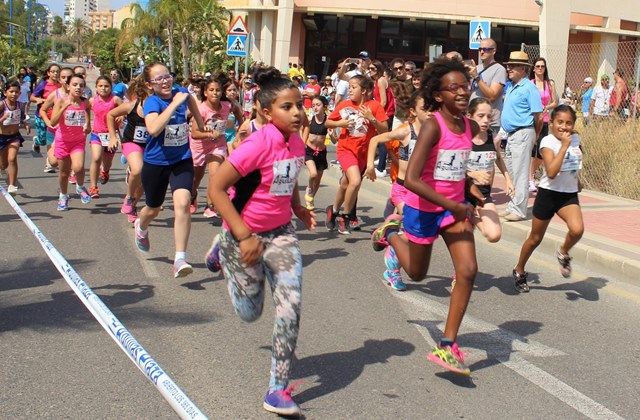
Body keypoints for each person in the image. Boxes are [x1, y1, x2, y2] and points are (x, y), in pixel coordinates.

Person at [207, 66, 315, 417]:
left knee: (290, 305)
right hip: (244, 235)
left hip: (282, 234)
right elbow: (216, 189)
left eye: (299, 105)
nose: (297, 112)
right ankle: (221, 250)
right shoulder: (257, 143)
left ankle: (277, 389)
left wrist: (297, 205)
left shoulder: (296, 140)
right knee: (250, 313)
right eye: (288, 107)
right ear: (267, 113)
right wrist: (240, 236)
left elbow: (290, 174)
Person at [370, 58, 480, 375]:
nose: (462, 92)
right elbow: (414, 178)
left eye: (465, 85)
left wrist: (469, 189)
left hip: (453, 209)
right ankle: (390, 232)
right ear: (438, 94)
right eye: (453, 88)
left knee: (469, 270)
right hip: (423, 208)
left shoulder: (468, 126)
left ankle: (447, 346)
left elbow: (453, 170)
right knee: (417, 273)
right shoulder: (433, 125)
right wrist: (452, 201)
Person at [133, 63, 208, 278]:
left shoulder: (181, 93)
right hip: (156, 163)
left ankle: (180, 258)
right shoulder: (152, 102)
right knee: (153, 208)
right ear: (150, 84)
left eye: (167, 76)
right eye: (159, 79)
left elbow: (192, 101)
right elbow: (154, 129)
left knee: (183, 203)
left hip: (181, 160)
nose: (165, 81)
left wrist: (201, 125)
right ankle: (142, 225)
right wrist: (174, 105)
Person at [365, 89, 431, 291]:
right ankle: (392, 268)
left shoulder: (435, 133)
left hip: (422, 191)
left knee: (415, 235)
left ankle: (389, 233)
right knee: (412, 231)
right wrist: (370, 165)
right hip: (402, 189)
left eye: (433, 109)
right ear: (413, 111)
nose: (430, 112)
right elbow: (375, 140)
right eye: (425, 109)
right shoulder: (405, 131)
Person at [512, 105, 584, 292]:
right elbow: (551, 172)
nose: (564, 127)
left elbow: (574, 162)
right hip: (548, 194)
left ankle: (563, 252)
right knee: (535, 238)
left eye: (569, 123)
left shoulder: (576, 139)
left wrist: (577, 182)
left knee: (577, 230)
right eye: (560, 122)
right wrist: (564, 147)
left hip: (568, 195)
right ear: (551, 123)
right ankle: (519, 269)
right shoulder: (548, 142)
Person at [325, 75, 388, 234]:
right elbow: (328, 122)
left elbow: (385, 131)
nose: (350, 90)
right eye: (350, 87)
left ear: (364, 91)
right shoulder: (345, 105)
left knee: (346, 184)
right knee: (355, 181)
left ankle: (332, 210)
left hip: (364, 153)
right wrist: (341, 123)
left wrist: (372, 118)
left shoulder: (374, 106)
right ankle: (345, 217)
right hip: (346, 149)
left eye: (354, 87)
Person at [190, 74, 243, 217]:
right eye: (211, 90)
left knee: (215, 174)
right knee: (197, 177)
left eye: (218, 90)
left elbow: (238, 112)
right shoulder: (201, 109)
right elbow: (194, 133)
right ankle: (193, 194)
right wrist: (208, 134)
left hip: (217, 145)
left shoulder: (227, 105)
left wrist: (241, 127)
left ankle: (210, 205)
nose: (215, 93)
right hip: (199, 146)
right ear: (205, 92)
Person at [500, 51, 543, 222]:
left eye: (512, 66)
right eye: (508, 65)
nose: (508, 68)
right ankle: (514, 204)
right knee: (513, 170)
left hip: (523, 132)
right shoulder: (511, 86)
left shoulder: (529, 88)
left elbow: (538, 115)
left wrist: (535, 135)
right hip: (511, 134)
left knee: (520, 171)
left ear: (523, 68)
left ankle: (519, 209)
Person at [465, 97, 514, 243]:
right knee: (465, 243)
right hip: (463, 195)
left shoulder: (491, 137)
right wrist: (472, 174)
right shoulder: (463, 138)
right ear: (470, 116)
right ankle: (469, 215)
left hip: (484, 194)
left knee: (494, 235)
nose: (486, 120)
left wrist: (508, 179)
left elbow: (498, 158)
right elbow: (450, 168)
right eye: (481, 116)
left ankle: (472, 217)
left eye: (489, 116)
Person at [107, 75, 150, 223]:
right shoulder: (131, 105)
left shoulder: (159, 108)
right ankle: (129, 197)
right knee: (138, 169)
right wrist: (113, 137)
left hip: (150, 146)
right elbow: (111, 114)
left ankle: (133, 206)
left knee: (145, 181)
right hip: (132, 142)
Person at [49, 72, 93, 211]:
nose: (78, 87)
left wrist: (88, 125)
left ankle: (80, 187)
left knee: (79, 167)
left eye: (81, 85)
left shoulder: (85, 102)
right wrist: (64, 107)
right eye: (74, 85)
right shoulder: (61, 101)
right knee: (64, 172)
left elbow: (87, 112)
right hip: (62, 141)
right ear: (68, 86)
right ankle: (63, 195)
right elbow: (53, 121)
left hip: (78, 141)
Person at [88, 76, 123, 198]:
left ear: (111, 87)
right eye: (101, 86)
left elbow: (125, 110)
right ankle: (93, 187)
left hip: (111, 135)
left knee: (107, 161)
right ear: (96, 87)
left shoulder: (116, 100)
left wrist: (122, 116)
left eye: (106, 86)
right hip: (97, 133)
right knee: (96, 158)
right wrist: (88, 124)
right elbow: (86, 110)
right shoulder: (92, 100)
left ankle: (105, 171)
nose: (103, 88)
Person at [529, 57, 558, 193]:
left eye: (542, 66)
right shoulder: (530, 83)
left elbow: (555, 102)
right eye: (538, 66)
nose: (540, 69)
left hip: (545, 120)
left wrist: (546, 107)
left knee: (540, 152)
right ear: (533, 68)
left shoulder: (549, 84)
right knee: (531, 150)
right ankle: (530, 179)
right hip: (531, 120)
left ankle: (531, 175)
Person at [469, 38, 508, 136]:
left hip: (489, 123)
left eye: (485, 49)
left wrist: (477, 77)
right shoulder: (476, 68)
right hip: (473, 120)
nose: (482, 52)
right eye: (480, 49)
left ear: (493, 51)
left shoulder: (499, 70)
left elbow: (492, 96)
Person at [303, 95, 336, 209]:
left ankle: (311, 199)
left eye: (318, 105)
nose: (315, 108)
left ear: (324, 107)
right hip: (309, 151)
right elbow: (304, 134)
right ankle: (308, 189)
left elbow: (334, 140)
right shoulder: (309, 119)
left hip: (321, 152)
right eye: (313, 105)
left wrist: (332, 135)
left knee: (317, 181)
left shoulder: (328, 121)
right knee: (313, 174)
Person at [0, 81, 31, 195]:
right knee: (3, 164)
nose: (14, 94)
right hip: (2, 137)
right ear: (5, 92)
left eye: (16, 92)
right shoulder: (2, 105)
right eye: (11, 91)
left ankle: (12, 185)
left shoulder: (19, 105)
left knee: (12, 159)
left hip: (14, 136)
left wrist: (25, 124)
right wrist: (3, 118)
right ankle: (2, 169)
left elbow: (19, 117)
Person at [370, 59, 396, 178]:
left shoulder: (381, 81)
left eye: (372, 69)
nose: (370, 71)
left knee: (383, 140)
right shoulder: (376, 81)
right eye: (369, 69)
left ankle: (381, 168)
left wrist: (376, 113)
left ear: (378, 70)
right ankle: (379, 162)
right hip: (382, 113)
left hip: (385, 113)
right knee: (379, 139)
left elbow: (384, 100)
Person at [30, 64, 61, 162]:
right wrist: (38, 100)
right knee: (43, 140)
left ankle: (50, 161)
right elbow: (32, 97)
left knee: (53, 140)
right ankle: (36, 141)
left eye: (57, 71)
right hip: (41, 116)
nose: (55, 73)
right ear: (48, 73)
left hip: (54, 118)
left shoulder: (61, 85)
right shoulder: (44, 84)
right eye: (53, 71)